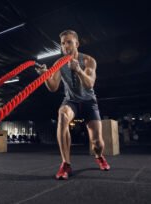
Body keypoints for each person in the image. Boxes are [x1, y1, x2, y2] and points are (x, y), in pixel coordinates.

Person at [36, 30, 110, 180]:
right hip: (71, 101)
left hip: (89, 102)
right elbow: (53, 87)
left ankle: (99, 156)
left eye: (69, 42)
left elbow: (89, 84)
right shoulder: (59, 63)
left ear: (77, 43)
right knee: (62, 114)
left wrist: (78, 70)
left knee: (97, 142)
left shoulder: (89, 61)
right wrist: (44, 75)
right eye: (63, 43)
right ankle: (66, 163)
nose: (65, 46)